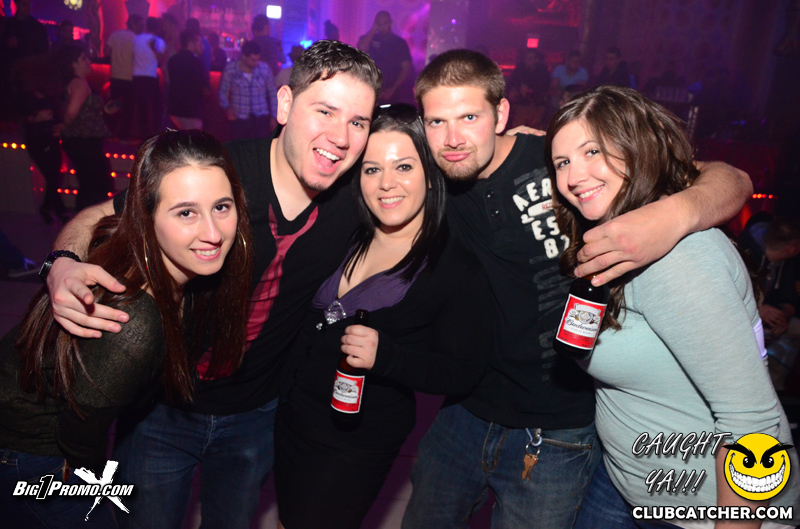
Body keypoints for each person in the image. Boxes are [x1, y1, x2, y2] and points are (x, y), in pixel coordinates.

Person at [401, 49, 754, 529]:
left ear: (500, 114)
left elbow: (731, 178)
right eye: (437, 122)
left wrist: (673, 214)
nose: (453, 138)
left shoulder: (559, 162)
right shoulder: (432, 180)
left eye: (469, 117)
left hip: (561, 428)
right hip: (467, 408)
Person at [42, 40, 381, 529]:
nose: (340, 137)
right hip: (162, 409)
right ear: (285, 104)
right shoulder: (215, 174)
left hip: (257, 414)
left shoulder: (358, 199)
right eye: (325, 111)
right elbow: (99, 215)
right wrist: (61, 263)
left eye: (358, 122)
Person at [546, 85, 799, 529]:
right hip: (624, 482)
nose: (573, 176)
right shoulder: (612, 237)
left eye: (592, 151)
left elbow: (752, 426)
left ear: (637, 148)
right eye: (562, 162)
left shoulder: (679, 258)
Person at [0, 129, 253, 528]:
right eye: (186, 213)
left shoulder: (163, 270)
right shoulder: (134, 324)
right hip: (31, 456)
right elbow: (79, 439)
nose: (213, 233)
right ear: (145, 217)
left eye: (221, 207)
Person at [274, 104, 493, 529]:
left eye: (404, 166)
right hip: (290, 417)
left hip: (355, 441)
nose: (386, 183)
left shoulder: (452, 268)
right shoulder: (343, 229)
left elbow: (463, 371)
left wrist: (387, 357)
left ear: (430, 173)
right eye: (371, 169)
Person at [55, 45, 113, 210]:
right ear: (73, 64)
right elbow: (71, 113)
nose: (89, 61)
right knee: (97, 186)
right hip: (84, 142)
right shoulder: (80, 84)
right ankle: (88, 222)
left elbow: (80, 111)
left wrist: (102, 110)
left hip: (81, 141)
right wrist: (64, 126)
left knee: (90, 185)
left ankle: (85, 221)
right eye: (83, 59)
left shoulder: (77, 82)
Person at [218, 40, 278, 141]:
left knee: (259, 149)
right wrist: (227, 108)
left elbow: (273, 94)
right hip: (238, 118)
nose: (256, 63)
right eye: (253, 60)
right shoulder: (231, 69)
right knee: (240, 148)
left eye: (257, 59)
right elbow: (222, 92)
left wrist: (274, 116)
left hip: (261, 118)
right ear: (244, 57)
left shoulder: (264, 69)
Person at [357, 10, 414, 104]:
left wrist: (393, 88)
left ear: (390, 23)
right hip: (372, 88)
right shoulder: (371, 38)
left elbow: (406, 68)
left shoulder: (399, 43)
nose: (382, 27)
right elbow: (362, 47)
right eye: (379, 24)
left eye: (385, 23)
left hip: (391, 89)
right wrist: (374, 29)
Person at [106, 15, 143, 140]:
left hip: (115, 76)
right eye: (140, 24)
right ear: (133, 24)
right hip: (130, 78)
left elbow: (107, 52)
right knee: (128, 109)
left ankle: (110, 133)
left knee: (113, 107)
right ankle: (123, 137)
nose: (142, 27)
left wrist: (116, 58)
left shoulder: (115, 34)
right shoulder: (136, 39)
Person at [167, 29, 210, 130]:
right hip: (192, 111)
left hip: (174, 110)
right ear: (191, 43)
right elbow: (205, 90)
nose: (202, 46)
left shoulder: (172, 60)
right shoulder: (197, 62)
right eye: (199, 42)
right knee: (193, 139)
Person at [131, 17, 166, 140]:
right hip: (151, 76)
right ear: (158, 28)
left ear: (146, 26)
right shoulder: (159, 41)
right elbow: (161, 59)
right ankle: (155, 135)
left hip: (137, 77)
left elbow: (132, 56)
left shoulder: (136, 39)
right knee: (157, 107)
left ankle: (143, 135)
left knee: (142, 108)